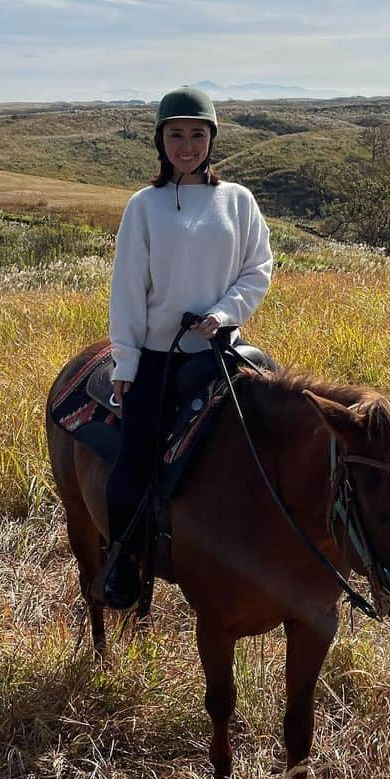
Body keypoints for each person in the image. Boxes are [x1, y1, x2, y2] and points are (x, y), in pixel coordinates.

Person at [97, 85, 273, 608]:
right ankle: (125, 563)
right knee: (134, 462)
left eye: (198, 134)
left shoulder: (237, 200)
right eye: (176, 134)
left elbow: (258, 268)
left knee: (278, 432)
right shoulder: (143, 207)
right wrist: (126, 359)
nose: (187, 145)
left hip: (224, 350)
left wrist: (223, 313)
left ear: (212, 140)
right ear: (160, 141)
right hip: (157, 356)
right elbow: (127, 286)